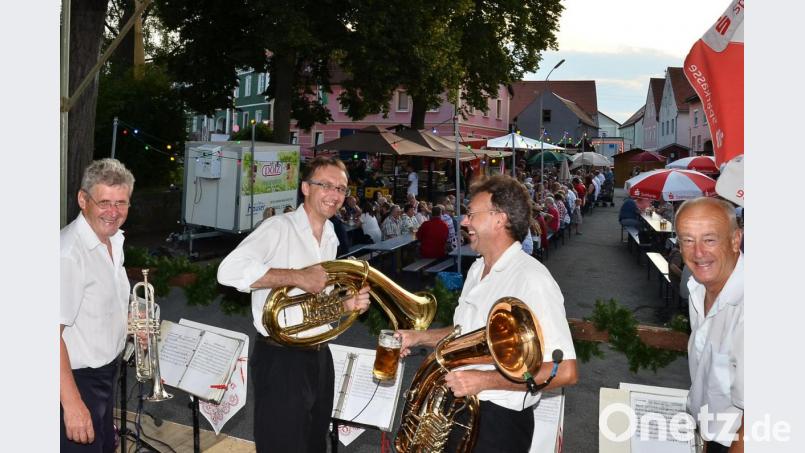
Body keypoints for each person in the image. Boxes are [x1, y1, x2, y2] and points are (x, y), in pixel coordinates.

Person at [396, 175, 578, 453]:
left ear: (499, 219)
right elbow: (462, 333)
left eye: (471, 214)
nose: (464, 222)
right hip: (461, 408)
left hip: (500, 422)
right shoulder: (476, 268)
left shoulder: (532, 278)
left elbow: (564, 371)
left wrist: (484, 380)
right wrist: (418, 337)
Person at [217, 156, 371, 453]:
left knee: (314, 445)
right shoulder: (278, 227)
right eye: (326, 185)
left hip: (320, 356)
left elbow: (313, 303)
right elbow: (228, 271)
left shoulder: (331, 235)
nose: (335, 194)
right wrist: (297, 276)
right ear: (306, 188)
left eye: (341, 188)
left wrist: (345, 305)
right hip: (282, 360)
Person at [61, 159, 135, 452]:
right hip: (76, 383)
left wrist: (130, 326)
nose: (113, 212)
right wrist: (73, 404)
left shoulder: (113, 241)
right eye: (104, 202)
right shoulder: (68, 254)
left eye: (121, 203)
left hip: (105, 377)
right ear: (83, 200)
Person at [676, 197, 744, 452]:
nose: (698, 252)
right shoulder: (698, 288)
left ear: (735, 240)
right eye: (688, 240)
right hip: (709, 434)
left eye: (710, 239)